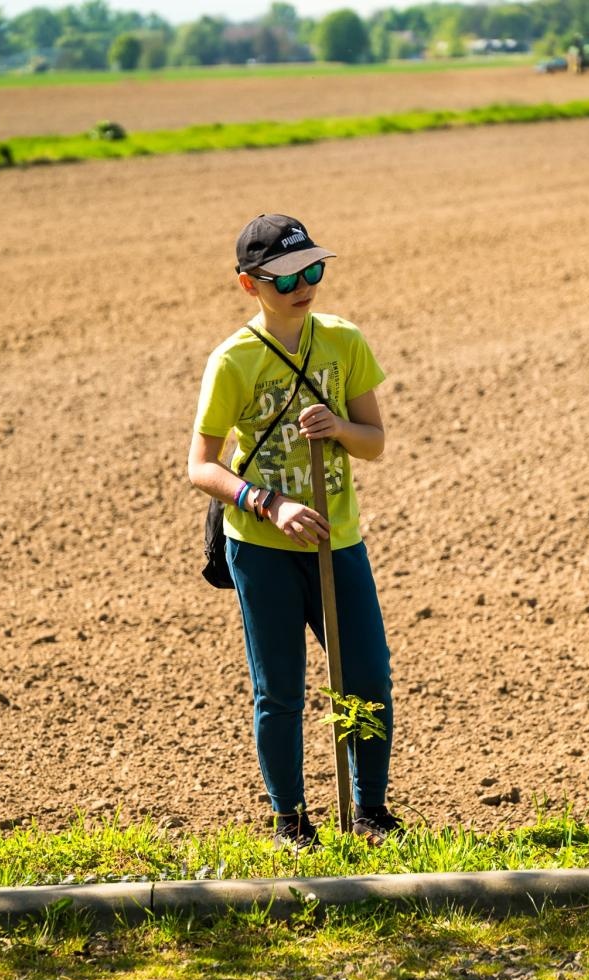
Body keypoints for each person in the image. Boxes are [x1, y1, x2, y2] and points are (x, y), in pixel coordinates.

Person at [188, 213, 401, 849]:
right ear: (249, 286)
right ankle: (291, 821)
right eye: (285, 278)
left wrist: (338, 429)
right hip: (261, 548)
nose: (304, 285)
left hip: (338, 541)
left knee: (366, 677)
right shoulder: (233, 361)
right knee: (279, 687)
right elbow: (200, 467)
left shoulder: (343, 341)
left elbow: (375, 443)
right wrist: (266, 501)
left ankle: (371, 813)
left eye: (313, 269)